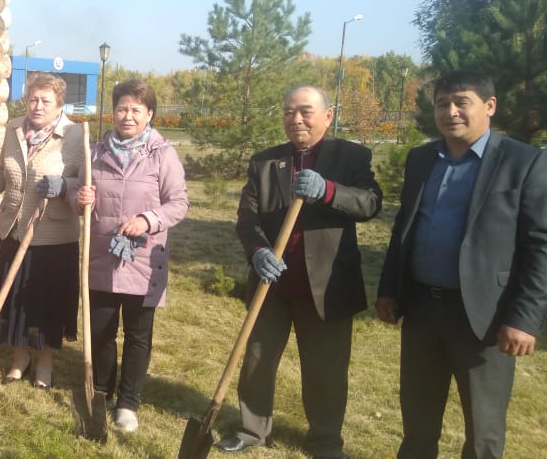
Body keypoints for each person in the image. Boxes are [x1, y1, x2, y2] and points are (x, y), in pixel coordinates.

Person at [376, 69, 547, 459]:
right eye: (441, 104)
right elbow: (404, 226)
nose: (450, 111)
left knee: (483, 432)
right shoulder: (421, 159)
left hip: (485, 316)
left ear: (489, 107)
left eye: (461, 103)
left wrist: (524, 317)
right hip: (421, 310)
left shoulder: (524, 162)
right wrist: (389, 288)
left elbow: (541, 246)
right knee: (417, 423)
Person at [217, 85, 382, 457]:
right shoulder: (265, 162)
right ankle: (252, 430)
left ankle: (325, 441)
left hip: (326, 285)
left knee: (326, 371)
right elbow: (248, 217)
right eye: (289, 112)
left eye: (306, 111)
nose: (296, 119)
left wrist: (328, 190)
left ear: (329, 114)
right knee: (257, 359)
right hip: (272, 284)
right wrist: (258, 251)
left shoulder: (351, 156)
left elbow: (371, 202)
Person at [73, 79, 188, 432]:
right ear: (114, 111)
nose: (128, 116)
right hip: (102, 256)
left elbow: (178, 204)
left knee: (138, 335)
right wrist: (79, 199)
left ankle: (128, 403)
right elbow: (79, 193)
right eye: (122, 108)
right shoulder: (94, 152)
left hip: (143, 260)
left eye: (137, 110)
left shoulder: (162, 154)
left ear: (149, 114)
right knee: (102, 331)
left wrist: (147, 219)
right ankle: (102, 393)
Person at [0, 72, 84, 389]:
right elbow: (4, 173)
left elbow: (86, 186)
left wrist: (64, 186)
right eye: (33, 99)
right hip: (14, 230)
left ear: (60, 105)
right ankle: (20, 358)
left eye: (46, 101)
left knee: (47, 303)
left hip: (53, 237)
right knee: (14, 300)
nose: (37, 106)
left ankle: (44, 360)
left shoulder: (75, 137)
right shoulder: (15, 129)